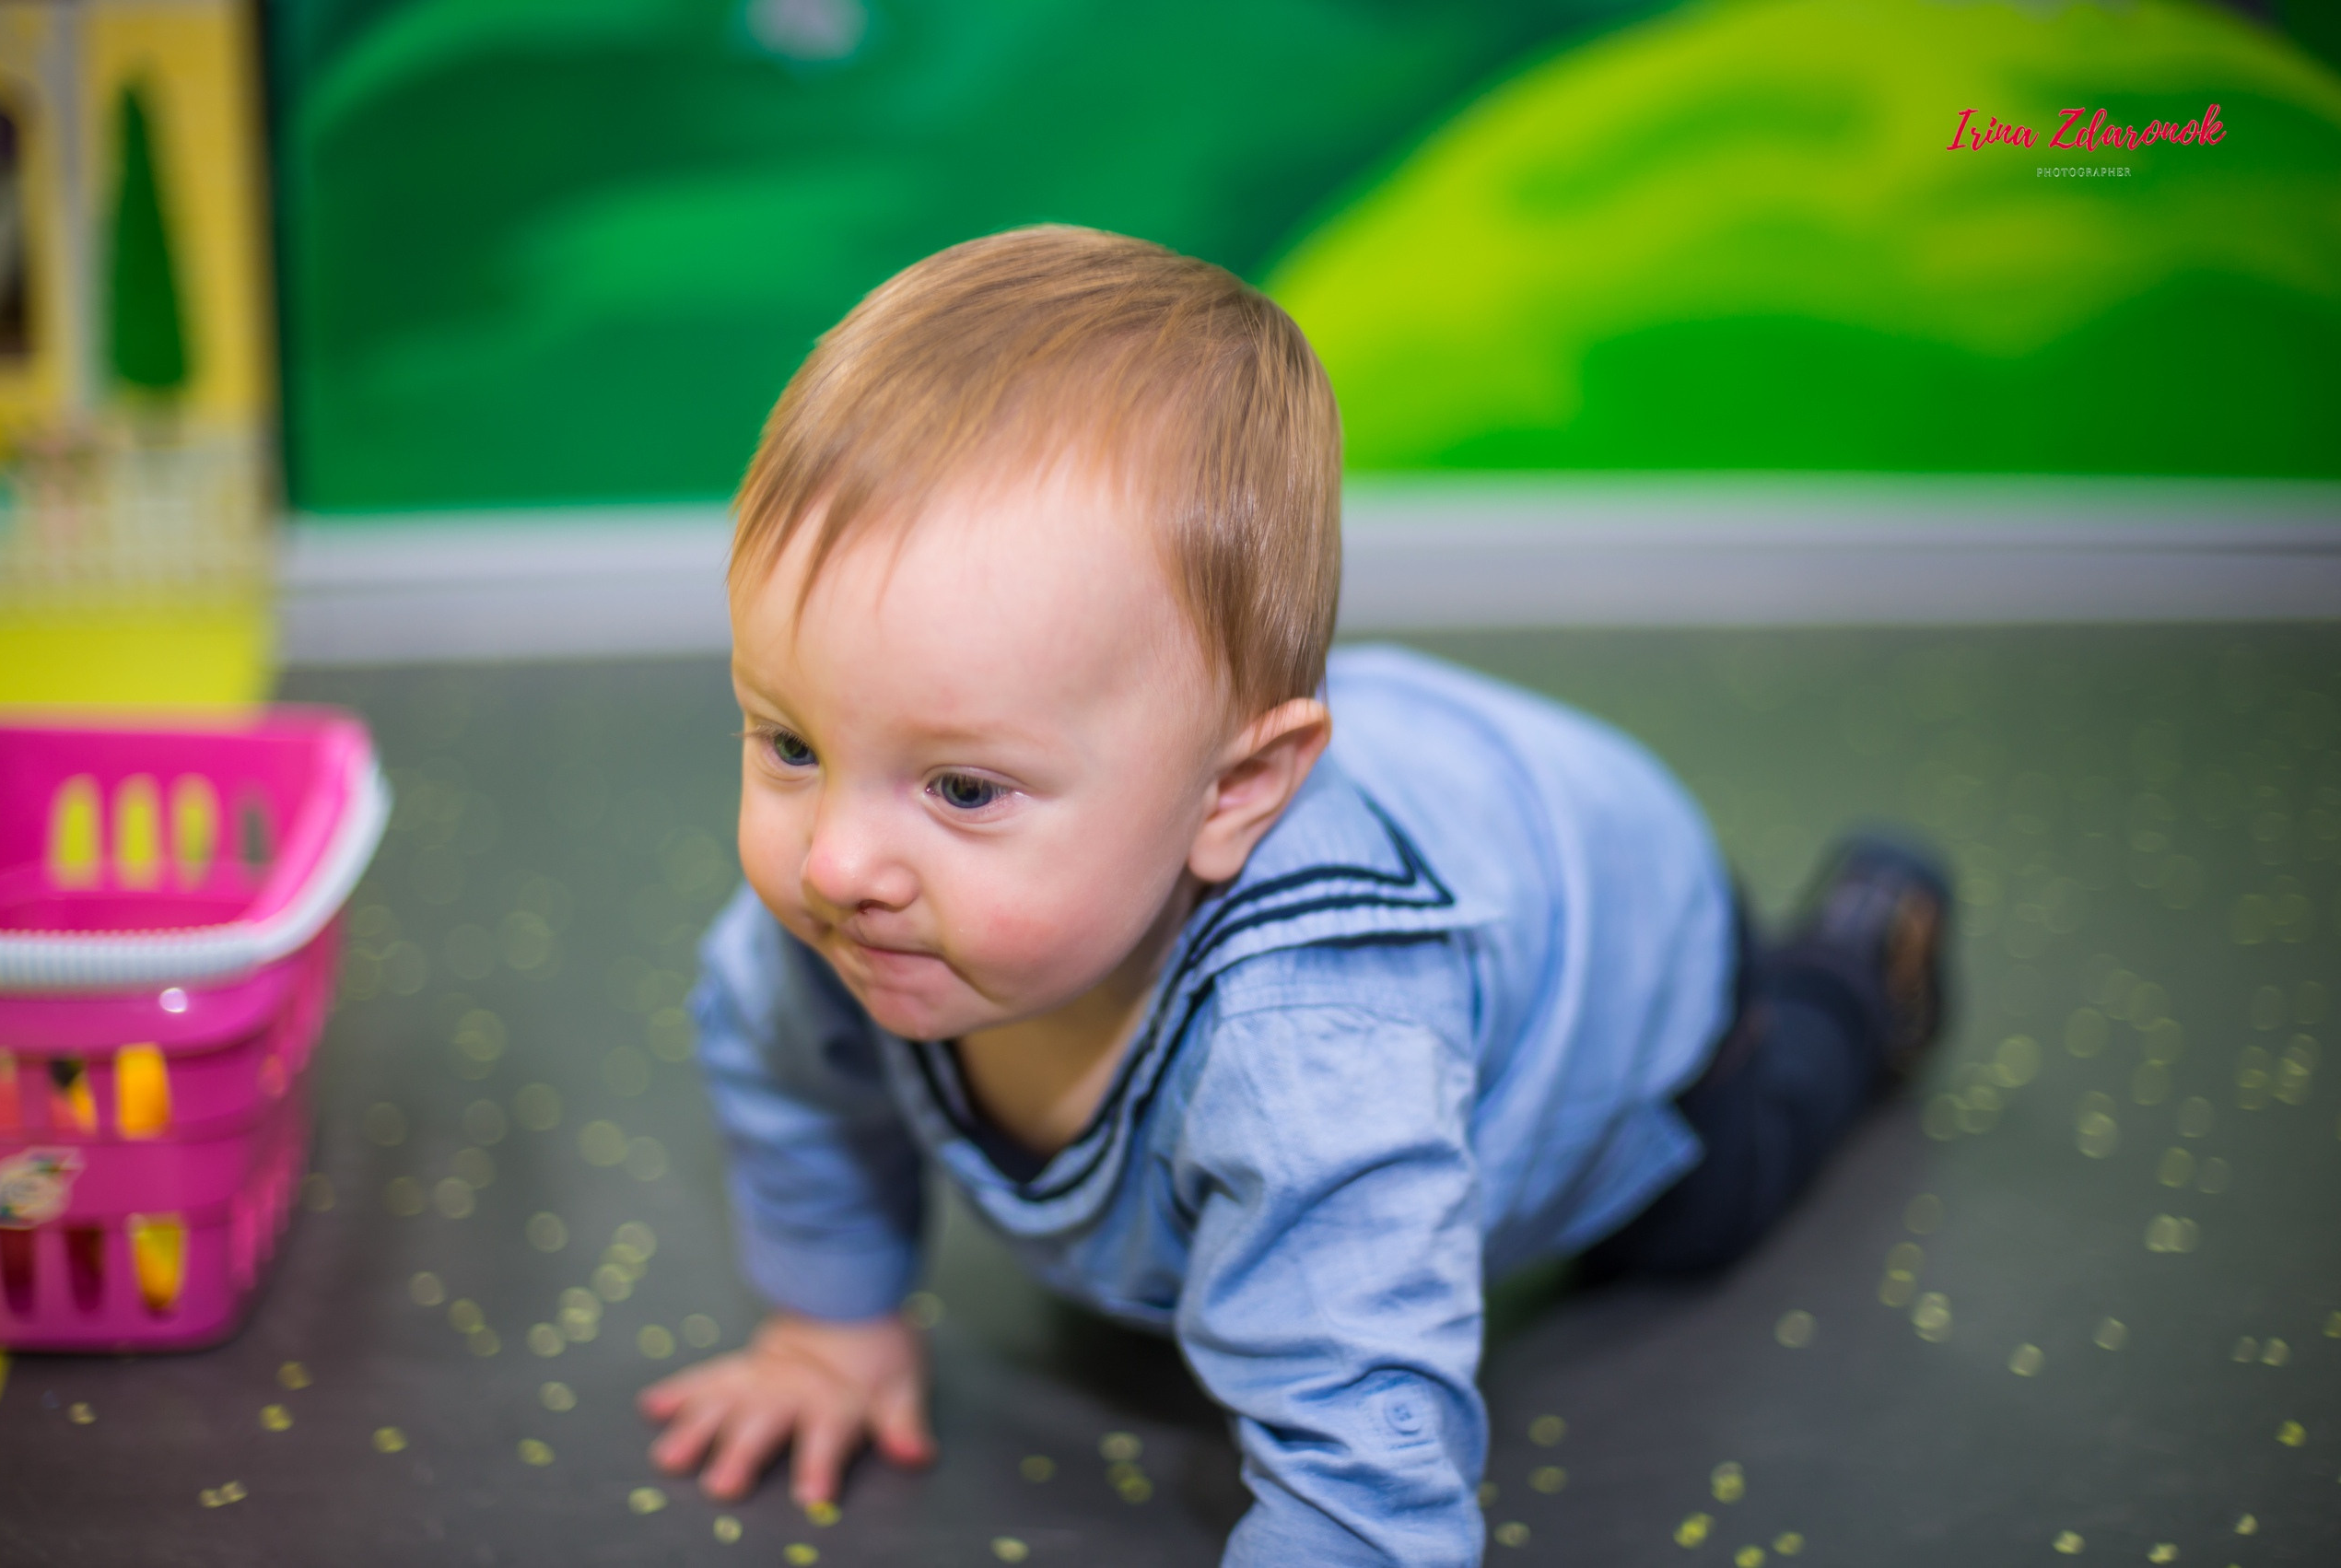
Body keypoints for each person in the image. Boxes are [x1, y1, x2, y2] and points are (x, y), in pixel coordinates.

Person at [637, 225, 1948, 1566]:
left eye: (964, 789)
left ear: (1231, 792)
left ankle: (1859, 955)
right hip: (1411, 773)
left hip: (1633, 956)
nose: (836, 864)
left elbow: (1370, 1495)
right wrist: (831, 1326)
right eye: (792, 744)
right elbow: (796, 1081)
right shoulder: (842, 925)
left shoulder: (1318, 1062)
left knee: (1701, 1214)